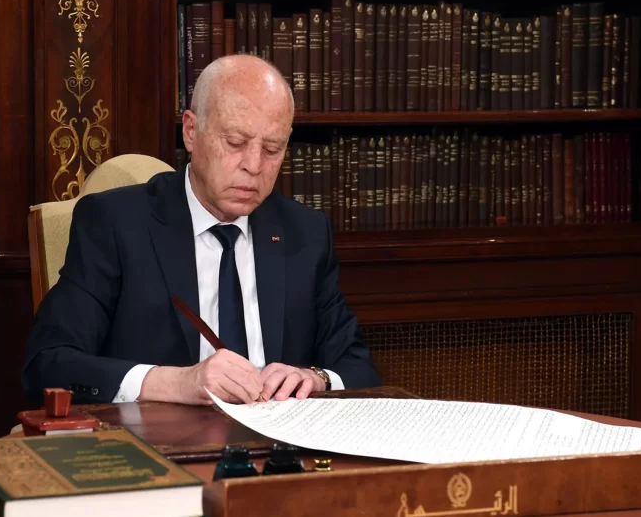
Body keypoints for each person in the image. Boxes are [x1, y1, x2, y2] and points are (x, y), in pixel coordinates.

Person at [22, 54, 381, 406]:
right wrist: (177, 382)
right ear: (191, 131)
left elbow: (358, 368)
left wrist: (316, 378)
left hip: (278, 438)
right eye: (235, 143)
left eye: (272, 149)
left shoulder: (305, 233)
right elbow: (49, 364)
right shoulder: (116, 224)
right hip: (159, 439)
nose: (254, 165)